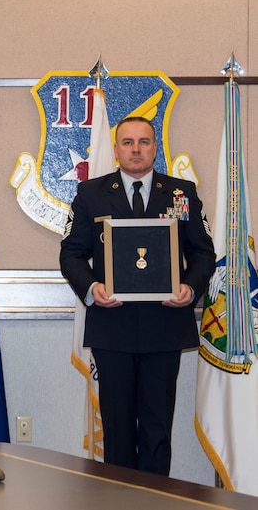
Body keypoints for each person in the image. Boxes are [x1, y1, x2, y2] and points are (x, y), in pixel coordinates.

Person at [59, 116, 215, 475]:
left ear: (155, 148)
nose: (136, 149)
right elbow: (71, 253)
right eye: (127, 142)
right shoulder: (91, 193)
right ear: (116, 149)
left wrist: (190, 288)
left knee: (157, 429)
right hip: (112, 327)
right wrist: (90, 288)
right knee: (117, 430)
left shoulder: (181, 193)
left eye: (144, 142)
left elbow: (203, 253)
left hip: (164, 326)